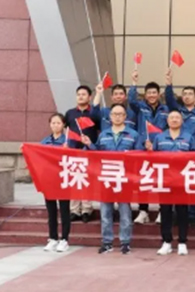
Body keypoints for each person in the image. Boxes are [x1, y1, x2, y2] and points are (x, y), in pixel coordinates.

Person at [80, 103, 141, 255]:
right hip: (106, 178)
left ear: (125, 117)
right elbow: (97, 154)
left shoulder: (133, 135)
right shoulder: (103, 134)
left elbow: (139, 155)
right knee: (105, 213)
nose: (117, 117)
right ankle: (107, 242)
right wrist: (89, 144)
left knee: (125, 213)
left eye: (120, 114)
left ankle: (125, 242)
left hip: (124, 179)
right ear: (110, 117)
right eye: (114, 114)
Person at [147, 111, 195, 256]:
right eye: (171, 118)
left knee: (182, 212)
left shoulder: (188, 137)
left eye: (177, 118)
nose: (174, 120)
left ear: (182, 121)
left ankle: (182, 242)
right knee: (165, 211)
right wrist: (149, 150)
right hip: (165, 181)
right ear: (167, 121)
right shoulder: (159, 137)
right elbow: (152, 159)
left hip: (182, 181)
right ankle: (166, 242)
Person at [163, 68, 195, 226]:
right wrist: (169, 84)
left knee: (193, 183)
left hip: (194, 154)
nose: (187, 96)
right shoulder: (177, 112)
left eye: (190, 94)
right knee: (176, 184)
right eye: (185, 94)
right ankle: (177, 213)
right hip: (176, 153)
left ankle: (193, 213)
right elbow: (169, 99)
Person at [129, 70, 170, 225]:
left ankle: (162, 211)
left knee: (161, 180)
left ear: (159, 94)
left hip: (160, 149)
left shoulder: (165, 110)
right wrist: (134, 83)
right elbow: (131, 100)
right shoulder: (140, 107)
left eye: (154, 92)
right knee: (143, 180)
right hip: (143, 148)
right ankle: (143, 211)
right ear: (145, 95)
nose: (152, 95)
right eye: (149, 93)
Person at [64, 84, 99, 223]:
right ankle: (74, 210)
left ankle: (86, 210)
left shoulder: (94, 113)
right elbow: (66, 130)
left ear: (89, 97)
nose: (81, 97)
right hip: (74, 150)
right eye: (78, 94)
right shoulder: (70, 113)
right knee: (74, 179)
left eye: (84, 94)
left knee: (86, 180)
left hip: (89, 150)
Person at [40, 113, 71, 253]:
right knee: (51, 211)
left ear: (63, 125)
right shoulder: (45, 141)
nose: (55, 125)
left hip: (63, 179)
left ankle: (64, 239)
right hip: (49, 179)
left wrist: (68, 150)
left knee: (64, 210)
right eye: (53, 123)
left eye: (58, 123)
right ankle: (53, 238)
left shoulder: (68, 141)